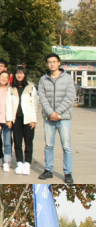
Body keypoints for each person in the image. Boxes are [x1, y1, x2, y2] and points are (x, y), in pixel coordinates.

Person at [38, 53, 77, 184]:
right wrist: (50, 113)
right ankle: (48, 170)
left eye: (54, 61)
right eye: (49, 62)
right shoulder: (43, 79)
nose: (52, 64)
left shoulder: (67, 78)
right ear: (47, 64)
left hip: (63, 117)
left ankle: (68, 172)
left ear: (59, 63)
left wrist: (57, 112)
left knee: (66, 146)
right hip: (49, 118)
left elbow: (70, 96)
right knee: (49, 145)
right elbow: (42, 97)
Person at [6, 66, 38, 176]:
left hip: (28, 120)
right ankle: (19, 163)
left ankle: (27, 164)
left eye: (21, 73)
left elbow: (35, 104)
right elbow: (8, 104)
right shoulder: (11, 88)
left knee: (28, 143)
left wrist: (34, 120)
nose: (19, 75)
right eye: (17, 73)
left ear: (25, 74)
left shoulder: (30, 87)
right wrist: (9, 120)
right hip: (16, 120)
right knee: (17, 143)